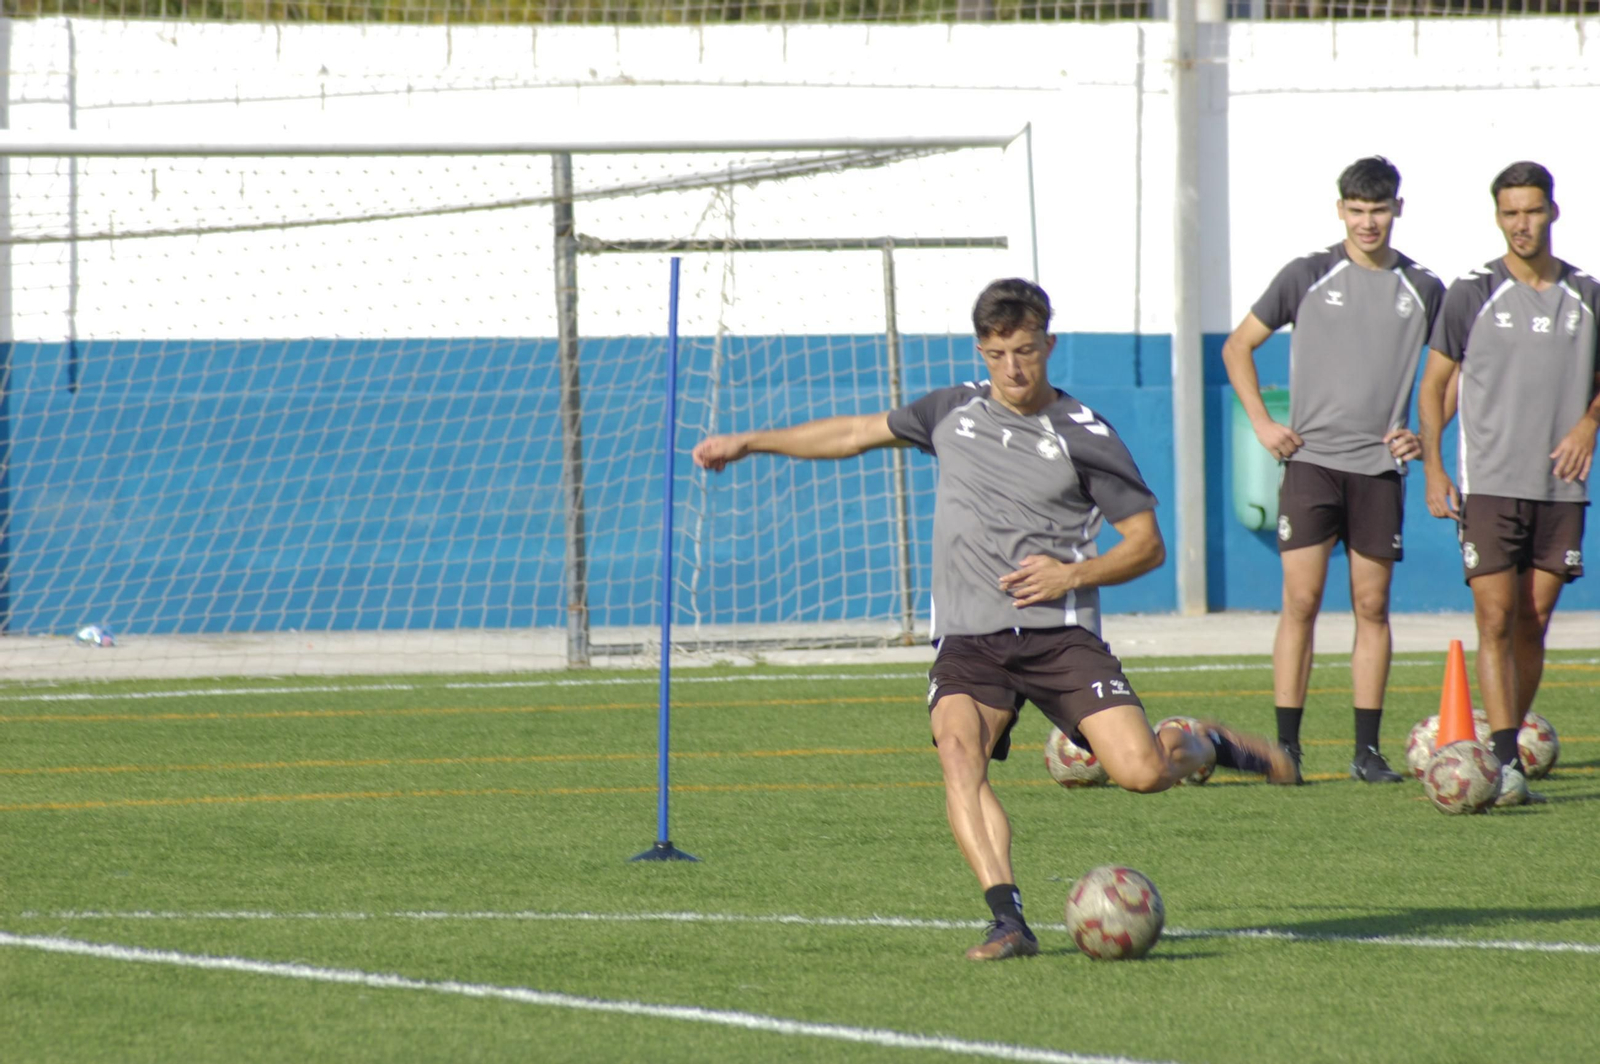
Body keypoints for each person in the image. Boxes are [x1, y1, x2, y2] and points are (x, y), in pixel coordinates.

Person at [693, 278, 1294, 962]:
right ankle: (1007, 919)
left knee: (1141, 772)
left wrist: (1070, 574)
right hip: (971, 640)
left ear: (1049, 345)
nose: (1013, 368)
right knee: (959, 753)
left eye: (1026, 351)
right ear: (981, 351)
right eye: (998, 353)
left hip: (1060, 637)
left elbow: (1146, 545)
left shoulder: (1084, 434)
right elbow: (856, 432)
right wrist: (751, 442)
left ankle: (1203, 743)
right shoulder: (950, 411)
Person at [1220, 156, 1445, 785]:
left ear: (1398, 209)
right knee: (1301, 601)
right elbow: (1237, 347)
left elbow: (1455, 369)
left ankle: (1366, 752)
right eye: (1357, 209)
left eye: (1379, 209)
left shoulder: (1423, 288)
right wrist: (1263, 423)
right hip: (1311, 464)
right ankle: (1287, 749)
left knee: (1372, 605)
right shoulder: (1307, 275)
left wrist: (1425, 437)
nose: (1368, 221)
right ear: (1340, 210)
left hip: (1379, 470)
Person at [1418, 161, 1600, 807]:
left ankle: (1505, 745)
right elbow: (1434, 385)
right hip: (1490, 483)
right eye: (1510, 213)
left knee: (1534, 620)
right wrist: (1434, 467)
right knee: (1495, 617)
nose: (1522, 224)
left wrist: (1588, 424)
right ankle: (1504, 763)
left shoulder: (1587, 294)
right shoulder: (1472, 292)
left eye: (1532, 211)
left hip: (1561, 486)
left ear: (1553, 212)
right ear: (1498, 217)